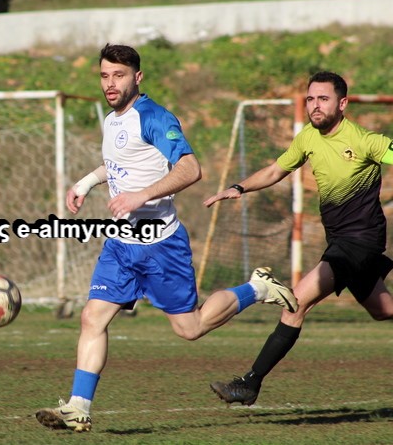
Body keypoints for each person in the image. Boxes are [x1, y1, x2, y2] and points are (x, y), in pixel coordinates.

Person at [35, 44, 298, 433]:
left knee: (190, 328)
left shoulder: (155, 117)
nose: (110, 83)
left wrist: (140, 196)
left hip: (162, 247)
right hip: (122, 245)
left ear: (137, 77)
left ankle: (257, 288)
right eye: (105, 75)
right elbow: (119, 164)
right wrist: (85, 183)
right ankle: (78, 407)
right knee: (92, 316)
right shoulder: (112, 120)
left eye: (119, 75)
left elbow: (191, 168)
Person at [204, 71, 393, 406]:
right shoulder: (307, 137)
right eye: (310, 99)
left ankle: (249, 384)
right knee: (383, 309)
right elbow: (276, 170)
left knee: (296, 301)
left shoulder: (365, 140)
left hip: (360, 242)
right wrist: (239, 187)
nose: (315, 105)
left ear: (342, 104)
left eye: (323, 99)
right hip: (340, 240)